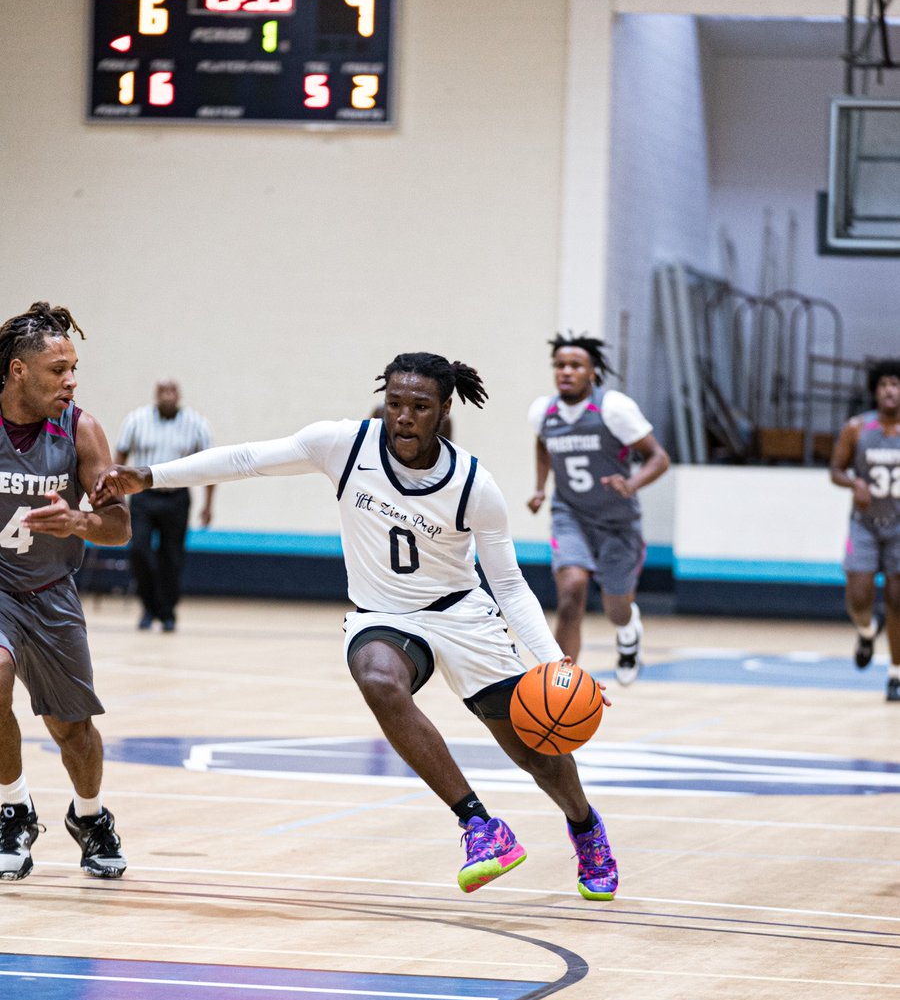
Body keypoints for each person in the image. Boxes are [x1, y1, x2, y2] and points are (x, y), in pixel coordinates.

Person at [94, 352, 619, 900]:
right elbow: (248, 458)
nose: (404, 417)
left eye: (420, 406)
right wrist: (148, 476)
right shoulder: (343, 445)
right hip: (383, 615)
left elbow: (509, 586)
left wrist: (554, 662)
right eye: (395, 404)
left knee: (533, 746)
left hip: (461, 613)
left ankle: (585, 828)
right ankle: (480, 826)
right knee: (377, 677)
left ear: (443, 411)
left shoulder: (473, 485)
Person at [0, 301, 130, 880]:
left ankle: (90, 817)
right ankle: (13, 808)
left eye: (74, 367)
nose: (71, 380)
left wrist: (79, 522)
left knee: (72, 729)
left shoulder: (81, 428)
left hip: (51, 590)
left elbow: (120, 527)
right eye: (59, 369)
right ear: (18, 370)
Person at [527, 333, 670, 684]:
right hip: (570, 515)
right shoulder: (543, 412)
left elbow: (659, 458)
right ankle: (561, 681)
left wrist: (631, 484)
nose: (566, 372)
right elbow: (544, 447)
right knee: (571, 591)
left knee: (616, 607)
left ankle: (628, 633)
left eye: (575, 365)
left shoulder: (613, 409)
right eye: (560, 365)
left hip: (617, 520)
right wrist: (539, 488)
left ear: (592, 372)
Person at [114, 379, 214, 632]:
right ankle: (149, 606)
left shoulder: (196, 424)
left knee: (172, 557)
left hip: (177, 498)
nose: (167, 396)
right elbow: (121, 458)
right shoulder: (136, 421)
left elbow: (211, 465)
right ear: (156, 395)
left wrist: (208, 504)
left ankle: (167, 612)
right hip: (144, 496)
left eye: (172, 391)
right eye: (162, 391)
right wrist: (117, 498)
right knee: (139, 550)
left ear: (179, 395)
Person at [829, 359, 900, 702]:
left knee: (898, 600)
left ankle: (896, 673)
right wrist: (853, 482)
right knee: (858, 597)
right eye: (885, 383)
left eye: (897, 384)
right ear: (875, 389)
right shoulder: (857, 428)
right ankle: (867, 630)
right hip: (865, 525)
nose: (890, 389)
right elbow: (835, 470)